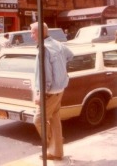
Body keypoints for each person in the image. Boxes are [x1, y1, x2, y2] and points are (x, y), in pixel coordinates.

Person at [30, 22, 74, 161]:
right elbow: (70, 55)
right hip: (60, 89)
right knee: (55, 120)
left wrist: (40, 94)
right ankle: (57, 152)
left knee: (38, 120)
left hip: (50, 92)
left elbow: (45, 77)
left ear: (39, 32)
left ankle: (54, 142)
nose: (31, 36)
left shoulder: (44, 49)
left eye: (32, 32)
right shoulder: (57, 44)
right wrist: (60, 69)